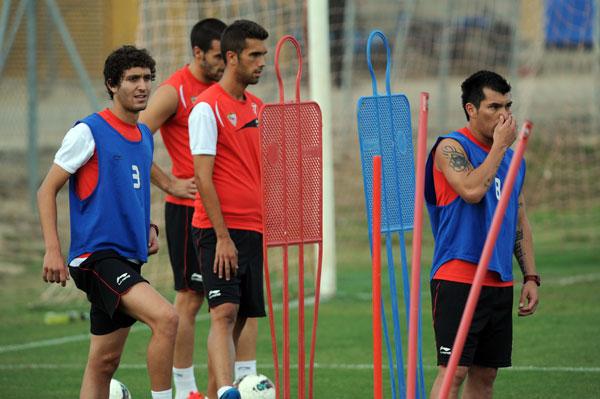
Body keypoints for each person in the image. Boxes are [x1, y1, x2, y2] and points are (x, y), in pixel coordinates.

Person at [37, 45, 179, 399]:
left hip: (126, 257)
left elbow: (128, 189)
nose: (142, 86)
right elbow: (46, 190)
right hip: (96, 258)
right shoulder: (89, 131)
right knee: (167, 318)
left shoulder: (144, 135)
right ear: (112, 85)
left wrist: (147, 228)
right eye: (132, 79)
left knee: (103, 363)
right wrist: (53, 251)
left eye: (147, 78)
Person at [139, 18, 259, 399]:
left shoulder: (238, 98)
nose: (222, 65)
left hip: (237, 214)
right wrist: (171, 182)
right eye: (215, 58)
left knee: (236, 308)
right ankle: (187, 388)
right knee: (193, 299)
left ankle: (229, 386)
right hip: (189, 209)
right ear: (199, 54)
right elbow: (136, 138)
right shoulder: (176, 92)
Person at [424, 70, 540, 399]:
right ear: (471, 110)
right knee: (454, 371)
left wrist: (530, 275)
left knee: (486, 375)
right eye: (493, 107)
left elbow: (518, 218)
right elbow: (473, 190)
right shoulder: (450, 147)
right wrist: (500, 148)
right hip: (458, 273)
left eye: (507, 106)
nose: (504, 116)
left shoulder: (513, 161)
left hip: (499, 277)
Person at [188, 20, 269, 399]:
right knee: (221, 313)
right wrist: (221, 237)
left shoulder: (259, 107)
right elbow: (202, 178)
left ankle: (214, 392)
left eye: (264, 55)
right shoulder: (206, 108)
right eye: (254, 55)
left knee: (236, 319)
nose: (262, 63)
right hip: (218, 231)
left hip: (254, 229)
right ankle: (225, 391)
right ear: (232, 57)